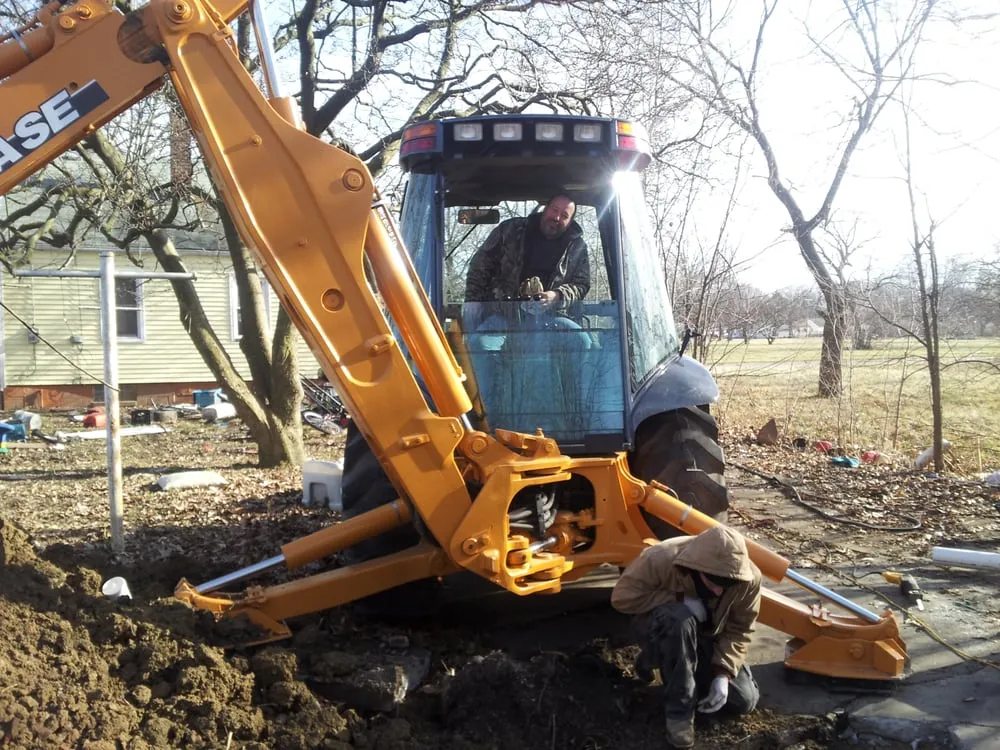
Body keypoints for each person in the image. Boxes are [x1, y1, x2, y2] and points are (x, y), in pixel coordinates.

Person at [611, 525, 762, 749]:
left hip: (706, 635)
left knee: (743, 700)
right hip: (662, 627)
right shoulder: (660, 559)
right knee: (678, 619)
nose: (720, 592)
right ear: (697, 569)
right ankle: (679, 714)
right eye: (714, 583)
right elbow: (621, 599)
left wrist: (723, 674)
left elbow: (740, 629)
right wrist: (679, 599)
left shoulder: (748, 579)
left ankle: (664, 662)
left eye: (727, 585)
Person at [463, 193, 591, 316]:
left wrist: (557, 296)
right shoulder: (510, 230)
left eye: (564, 215)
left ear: (570, 223)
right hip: (502, 316)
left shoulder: (577, 248)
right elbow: (480, 267)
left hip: (554, 320)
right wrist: (473, 302)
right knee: (481, 339)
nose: (557, 217)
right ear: (545, 209)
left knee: (583, 339)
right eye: (554, 210)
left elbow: (581, 285)